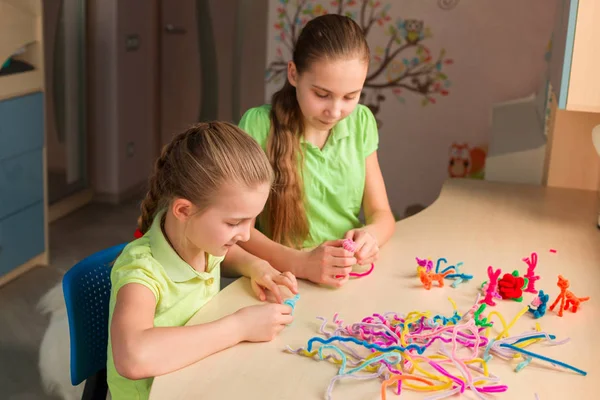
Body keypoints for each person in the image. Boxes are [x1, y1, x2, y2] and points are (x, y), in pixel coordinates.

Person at [107, 122, 298, 399]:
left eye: (252, 219)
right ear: (184, 210)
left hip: (198, 378)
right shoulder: (141, 270)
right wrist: (240, 327)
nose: (245, 235)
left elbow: (226, 255)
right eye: (235, 222)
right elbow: (132, 357)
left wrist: (258, 267)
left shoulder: (202, 241)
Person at [238, 14, 395, 288]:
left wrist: (370, 235)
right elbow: (241, 232)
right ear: (294, 74)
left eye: (350, 96)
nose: (335, 111)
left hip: (343, 279)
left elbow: (382, 214)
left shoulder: (361, 122)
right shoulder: (258, 125)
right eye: (322, 94)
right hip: (282, 279)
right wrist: (302, 263)